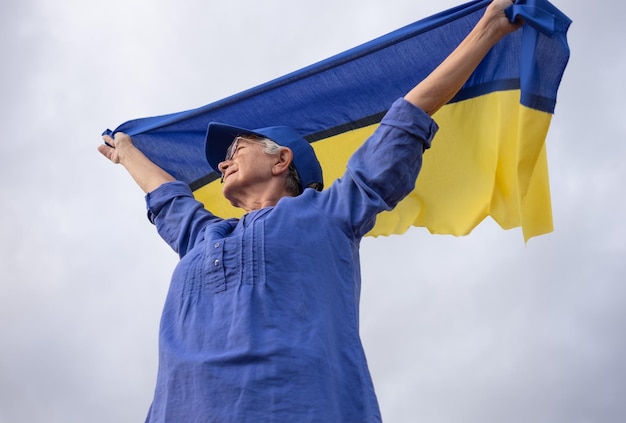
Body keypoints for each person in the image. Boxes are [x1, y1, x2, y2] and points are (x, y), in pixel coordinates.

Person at [98, 1, 521, 421]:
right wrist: (126, 151)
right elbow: (167, 195)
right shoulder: (202, 236)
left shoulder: (333, 211)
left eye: (236, 150)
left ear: (282, 160)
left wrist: (488, 29)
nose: (223, 163)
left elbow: (403, 122)